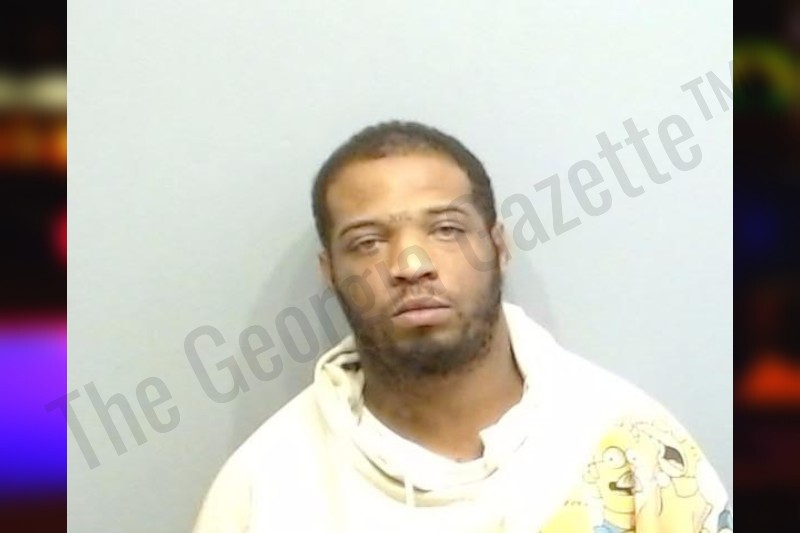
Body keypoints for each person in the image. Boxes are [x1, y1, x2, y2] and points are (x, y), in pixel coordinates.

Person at [193, 121, 731, 532]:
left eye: (447, 230)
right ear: (330, 273)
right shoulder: (263, 489)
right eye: (368, 242)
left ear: (497, 247)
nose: (411, 265)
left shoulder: (629, 444)